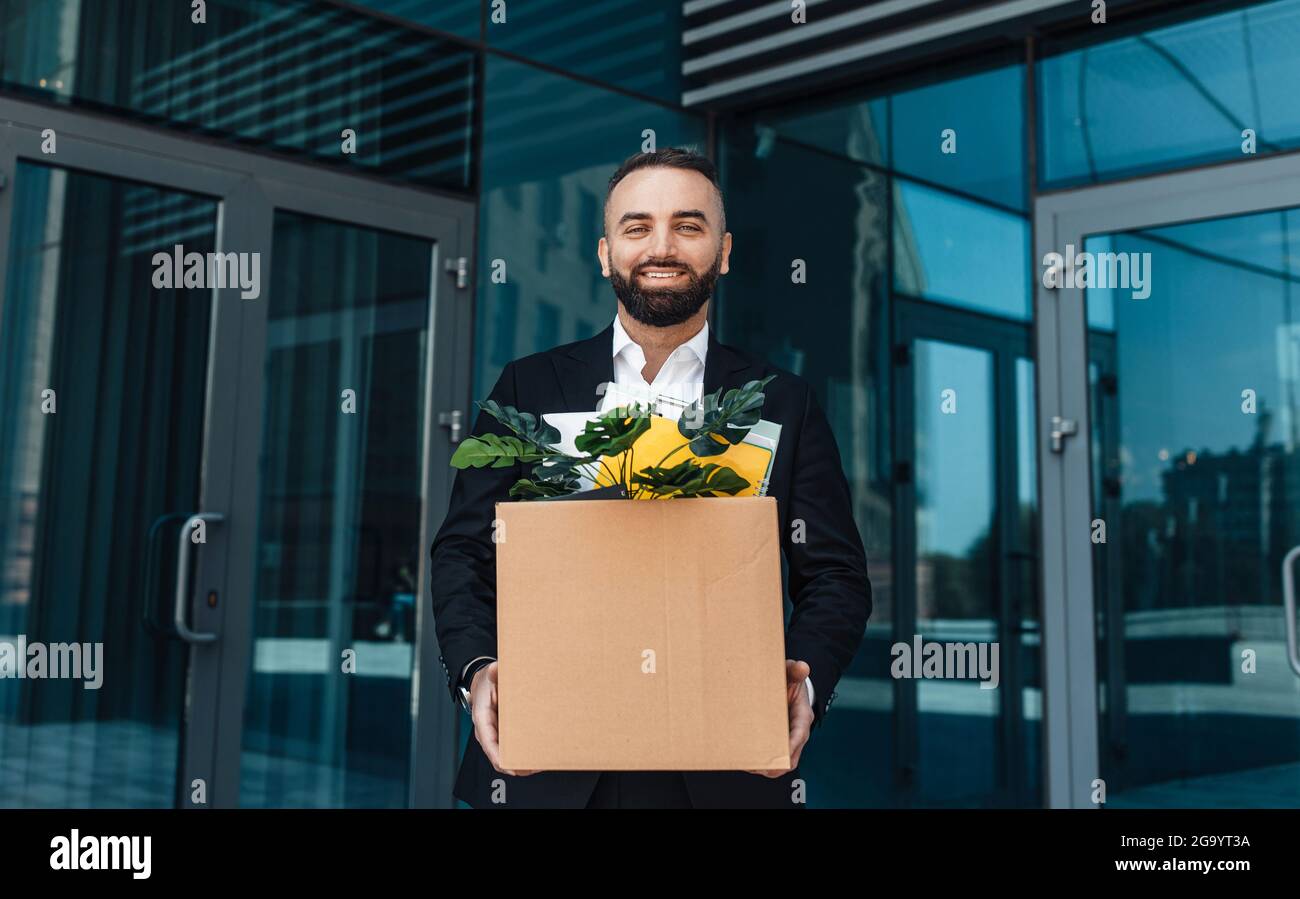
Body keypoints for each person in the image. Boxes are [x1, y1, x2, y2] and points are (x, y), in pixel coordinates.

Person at [430, 147, 872, 808]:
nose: (661, 246)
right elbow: (463, 549)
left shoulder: (784, 400)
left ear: (723, 252)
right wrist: (476, 668)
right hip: (544, 764)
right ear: (606, 252)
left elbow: (836, 574)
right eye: (637, 227)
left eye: (688, 226)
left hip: (723, 765)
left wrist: (802, 684)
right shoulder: (528, 385)